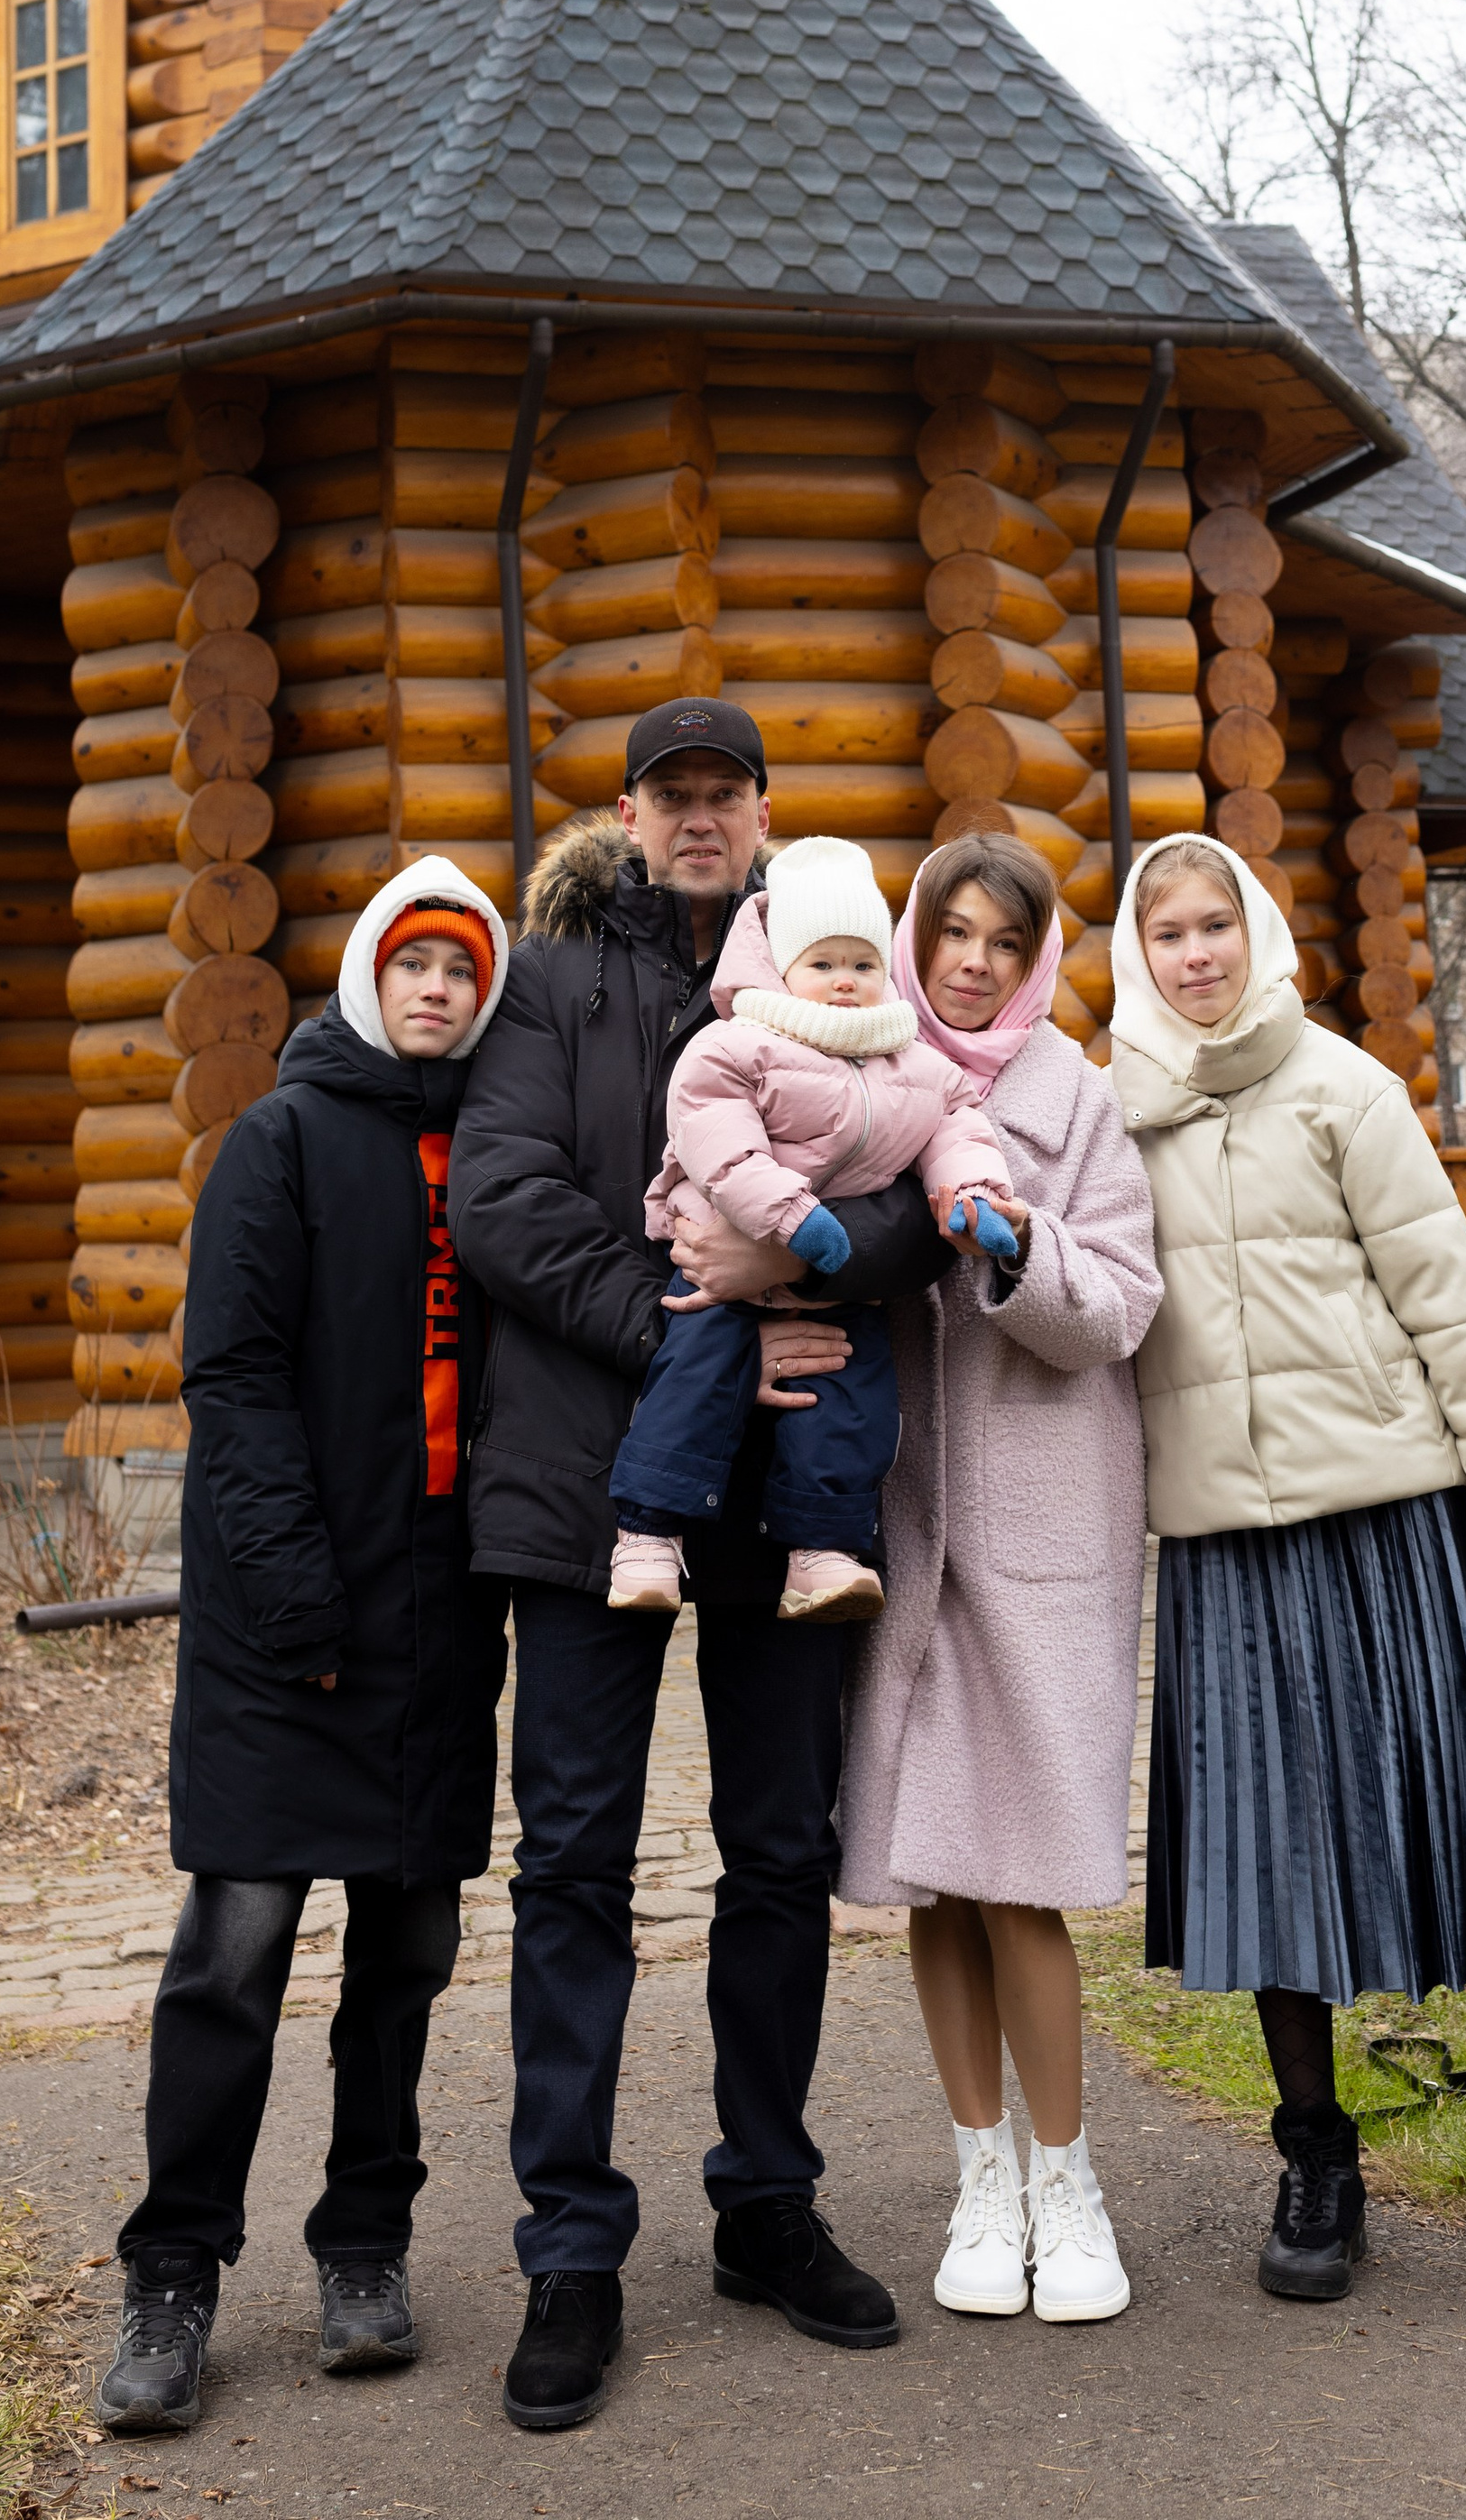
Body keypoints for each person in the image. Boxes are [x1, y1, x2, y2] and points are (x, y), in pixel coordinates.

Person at [448, 701, 951, 2433]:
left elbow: (915, 1186)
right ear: (632, 814)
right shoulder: (546, 983)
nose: (699, 821)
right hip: (585, 1492)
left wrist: (804, 1291)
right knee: (576, 1863)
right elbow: (501, 1201)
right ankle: (569, 2248)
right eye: (673, 797)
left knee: (780, 1851)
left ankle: (768, 2202)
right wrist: (699, 1330)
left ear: (760, 816)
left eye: (726, 795)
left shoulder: (833, 985)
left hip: (785, 1505)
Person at [1111, 832, 1466, 2320]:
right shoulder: (1112, 1115)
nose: (1195, 953)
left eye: (1215, 925)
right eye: (1169, 934)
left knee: (1465, 1835)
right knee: (1269, 1853)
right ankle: (1317, 2159)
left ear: (1254, 932)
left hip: (1388, 1521)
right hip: (1223, 1546)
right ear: (1138, 958)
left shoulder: (1343, 1087)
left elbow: (1450, 1301)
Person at [95, 859, 512, 2436]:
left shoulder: (494, 1149)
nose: (435, 992)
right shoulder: (278, 1142)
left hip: (439, 1614)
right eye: (412, 965)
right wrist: (293, 1597)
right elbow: (235, 1384)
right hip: (288, 1622)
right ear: (367, 979)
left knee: (404, 1959)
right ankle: (174, 2273)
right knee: (235, 1955)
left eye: (461, 972)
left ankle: (366, 2247)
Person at [834, 834, 1162, 2325]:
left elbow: (1123, 1309)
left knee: (1024, 1880)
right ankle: (980, 2175)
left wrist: (1022, 1245)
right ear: (918, 939)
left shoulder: (1073, 1099)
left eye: (1000, 940)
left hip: (1044, 1528)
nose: (970, 961)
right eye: (950, 934)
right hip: (906, 1524)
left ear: (1036, 957)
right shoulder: (873, 1082)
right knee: (934, 1875)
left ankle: (1067, 2181)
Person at [613, 833, 1018, 1624]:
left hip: (834, 1277)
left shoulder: (911, 1061)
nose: (844, 983)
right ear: (779, 969)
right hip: (724, 1255)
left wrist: (969, 1194)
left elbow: (957, 1125)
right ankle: (647, 1535)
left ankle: (823, 1551)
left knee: (849, 1398)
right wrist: (788, 1217)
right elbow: (713, 1133)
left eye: (863, 965)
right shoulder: (740, 1044)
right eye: (823, 963)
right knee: (693, 1377)